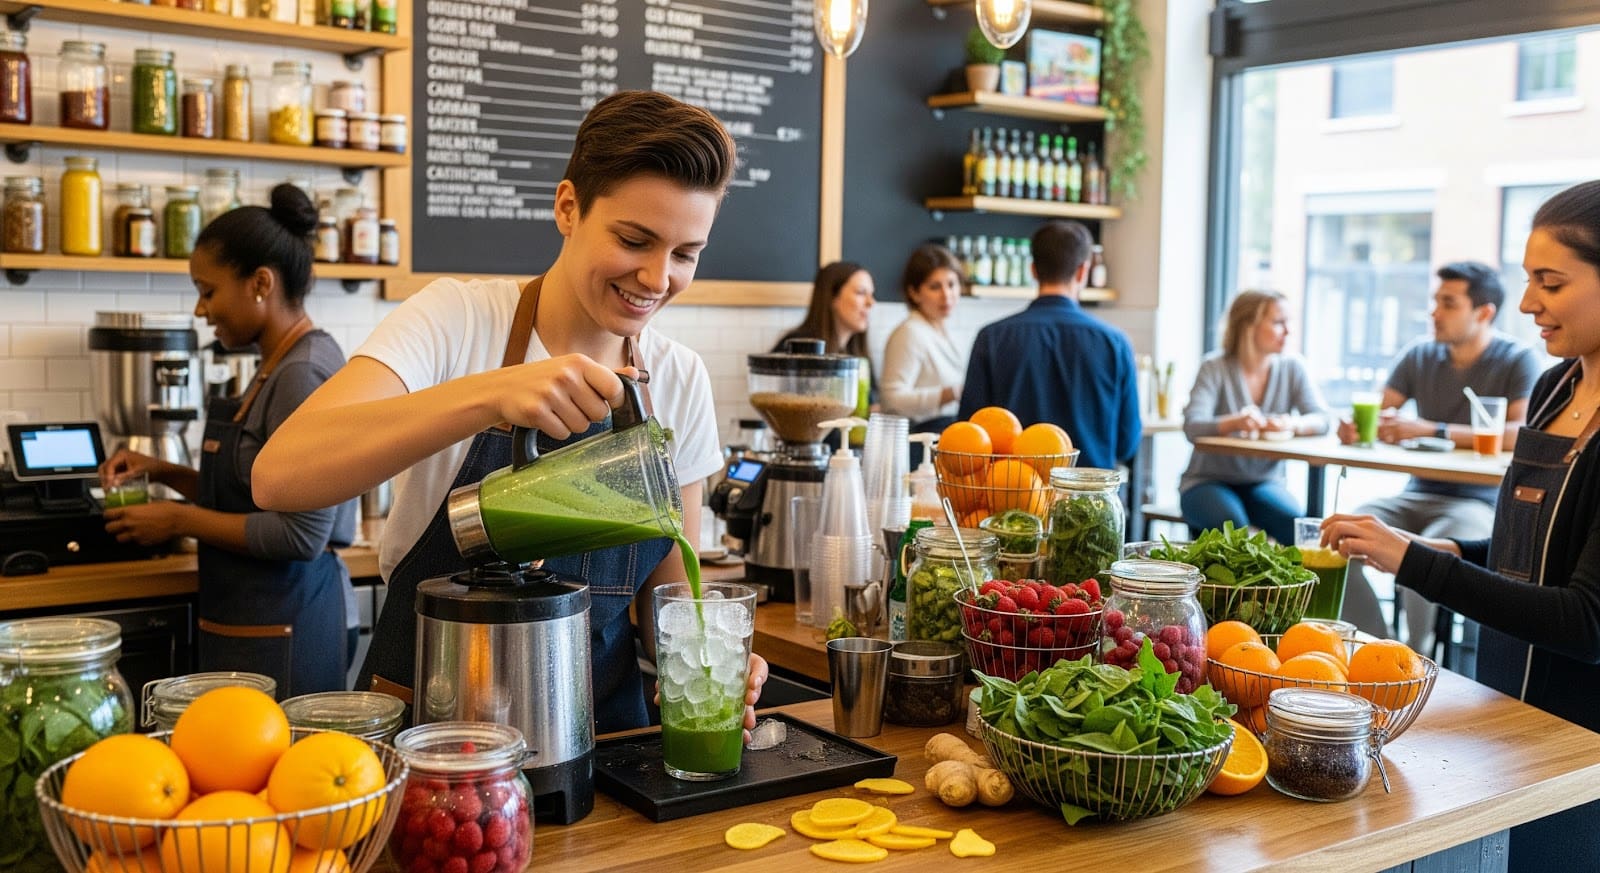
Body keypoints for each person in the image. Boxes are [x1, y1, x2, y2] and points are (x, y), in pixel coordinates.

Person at [252, 91, 768, 735]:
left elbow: (669, 597)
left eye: (686, 254)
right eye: (635, 240)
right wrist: (493, 394)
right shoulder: (456, 319)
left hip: (599, 749)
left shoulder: (679, 378)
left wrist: (704, 662)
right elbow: (280, 476)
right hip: (434, 738)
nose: (658, 277)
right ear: (568, 208)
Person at [1322, 180, 1600, 872]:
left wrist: (1421, 564)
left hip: (1581, 741)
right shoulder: (1554, 387)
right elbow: (1529, 552)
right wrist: (1450, 548)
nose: (1529, 302)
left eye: (1551, 281)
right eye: (1528, 279)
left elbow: (1586, 621)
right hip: (1504, 703)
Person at [100, 184, 357, 697]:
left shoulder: (301, 372)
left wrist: (176, 519)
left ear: (261, 283)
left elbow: (300, 535)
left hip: (289, 626)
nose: (201, 310)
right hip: (259, 623)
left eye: (208, 290)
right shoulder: (277, 364)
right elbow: (261, 493)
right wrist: (165, 473)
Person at [1334, 262, 1542, 657]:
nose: (1434, 312)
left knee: (1421, 557)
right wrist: (1356, 427)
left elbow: (1520, 434)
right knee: (1341, 535)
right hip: (1415, 494)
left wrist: (1433, 430)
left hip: (1476, 503)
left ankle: (1417, 654)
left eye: (1448, 303)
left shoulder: (1518, 360)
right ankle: (1377, 649)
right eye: (1435, 301)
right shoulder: (1420, 355)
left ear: (1483, 313)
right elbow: (1377, 414)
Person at [957, 220, 1140, 470]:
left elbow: (971, 437)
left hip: (1013, 498)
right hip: (1089, 500)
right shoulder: (1114, 343)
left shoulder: (992, 338)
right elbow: (1127, 443)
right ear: (1082, 272)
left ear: (1033, 270)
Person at [1177, 290, 1330, 545]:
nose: (1288, 331)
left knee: (1298, 526)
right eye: (1278, 322)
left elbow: (1323, 419)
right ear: (1249, 325)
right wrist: (1235, 421)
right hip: (1205, 482)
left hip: (1264, 483)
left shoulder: (1293, 368)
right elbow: (1192, 425)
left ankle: (1302, 586)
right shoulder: (1214, 367)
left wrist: (1291, 424)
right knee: (1234, 529)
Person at [774, 260, 876, 444]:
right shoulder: (796, 347)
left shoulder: (859, 356)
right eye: (861, 293)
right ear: (833, 297)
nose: (871, 302)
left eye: (872, 294)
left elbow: (872, 409)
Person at [880, 242, 967, 435]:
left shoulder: (943, 330)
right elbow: (891, 400)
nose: (947, 295)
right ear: (914, 293)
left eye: (952, 285)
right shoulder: (910, 333)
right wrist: (948, 394)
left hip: (947, 433)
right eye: (935, 287)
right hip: (922, 439)